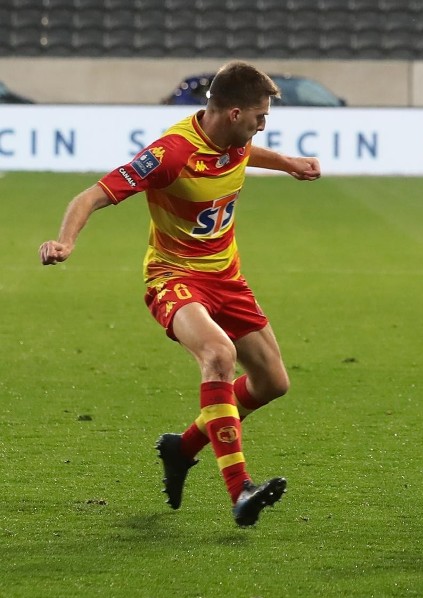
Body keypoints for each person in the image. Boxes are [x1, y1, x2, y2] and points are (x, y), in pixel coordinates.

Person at [39, 61, 321, 527]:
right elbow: (91, 195)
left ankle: (182, 447)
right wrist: (66, 241)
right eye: (258, 117)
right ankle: (240, 490)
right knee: (217, 353)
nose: (262, 125)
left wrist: (287, 163)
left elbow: (245, 152)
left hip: (227, 278)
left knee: (272, 383)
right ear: (232, 113)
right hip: (174, 277)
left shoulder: (236, 139)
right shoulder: (171, 153)